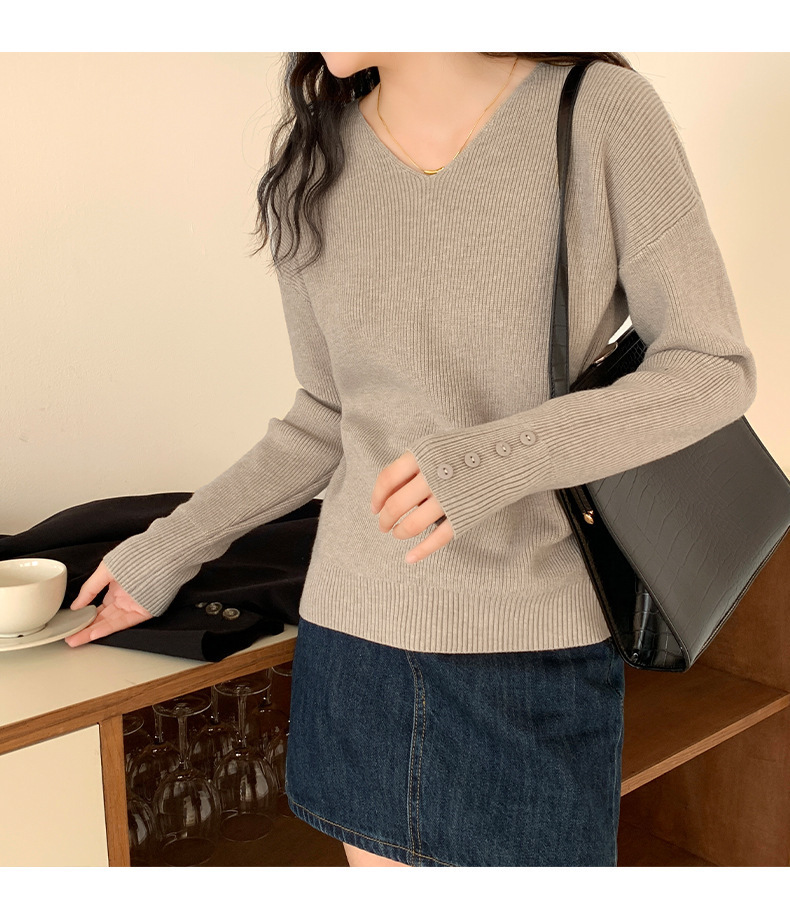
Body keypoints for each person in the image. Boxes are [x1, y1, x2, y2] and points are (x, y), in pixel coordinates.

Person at [65, 52, 757, 867]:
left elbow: (711, 367)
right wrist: (164, 553)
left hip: (527, 645)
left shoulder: (599, 109)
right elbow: (326, 417)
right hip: (355, 645)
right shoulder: (311, 161)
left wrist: (492, 459)